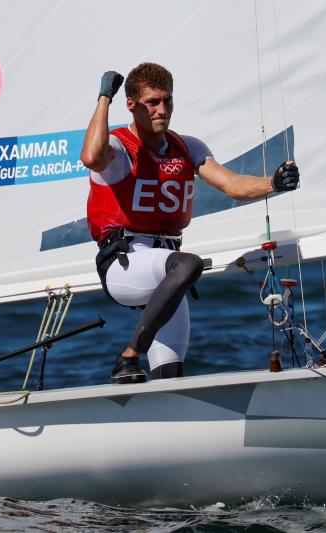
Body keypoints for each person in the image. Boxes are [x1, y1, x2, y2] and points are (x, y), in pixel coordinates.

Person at [80, 63, 299, 384]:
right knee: (189, 265)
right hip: (124, 264)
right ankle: (129, 355)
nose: (162, 110)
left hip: (168, 276)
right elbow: (90, 156)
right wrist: (104, 97)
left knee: (171, 378)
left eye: (167, 101)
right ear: (132, 104)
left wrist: (275, 183)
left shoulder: (187, 147)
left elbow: (233, 185)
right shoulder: (119, 147)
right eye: (152, 102)